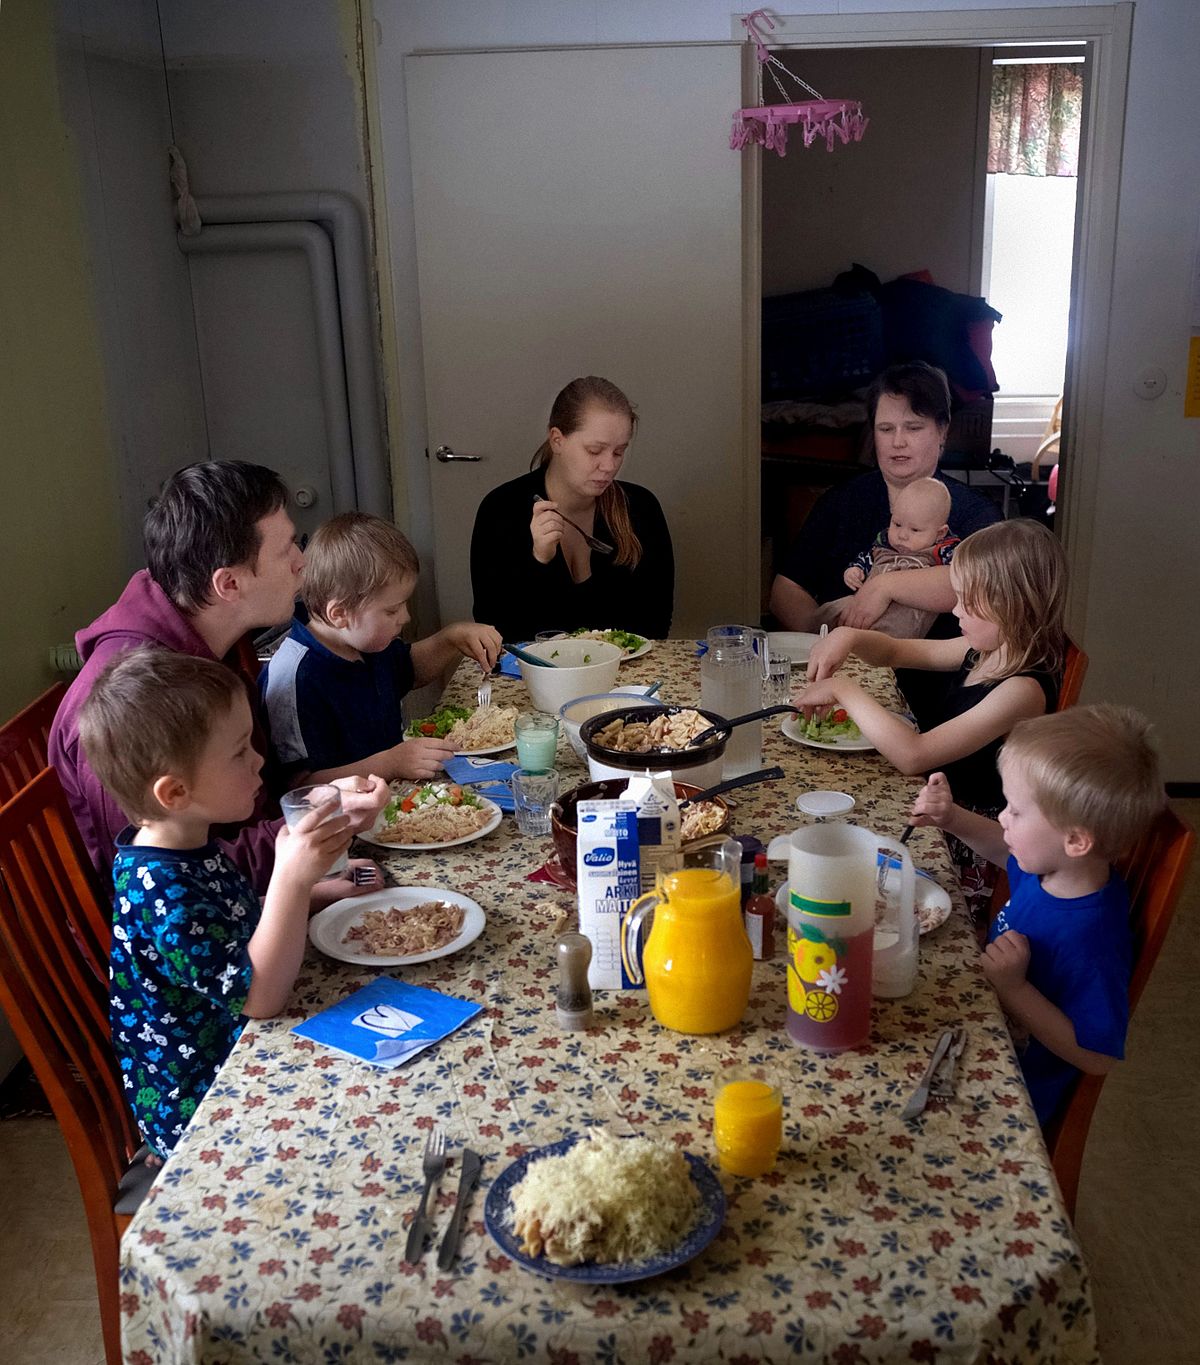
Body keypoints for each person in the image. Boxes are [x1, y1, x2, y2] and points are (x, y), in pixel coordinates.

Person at [48, 460, 387, 893]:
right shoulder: (138, 699)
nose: (303, 562)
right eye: (287, 549)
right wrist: (305, 835)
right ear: (229, 584)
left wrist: (320, 804)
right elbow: (160, 881)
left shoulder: (217, 633)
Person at [78, 649, 357, 1161]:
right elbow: (259, 996)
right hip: (208, 1105)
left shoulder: (182, 843)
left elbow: (232, 918)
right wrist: (292, 879)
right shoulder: (162, 892)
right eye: (238, 752)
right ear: (176, 792)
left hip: (247, 1046)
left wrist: (319, 893)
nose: (258, 760)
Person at [908, 704, 1166, 1129]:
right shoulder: (1055, 869)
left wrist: (1014, 989)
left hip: (1008, 1097)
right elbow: (1008, 849)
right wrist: (951, 818)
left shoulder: (1092, 939)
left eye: (1016, 809)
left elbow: (1099, 1057)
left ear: (1076, 840)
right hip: (982, 1022)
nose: (1003, 817)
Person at [797, 519, 1066, 923]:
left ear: (1010, 604)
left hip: (971, 849)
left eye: (968, 601)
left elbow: (913, 756)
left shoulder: (1022, 690)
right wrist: (849, 638)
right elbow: (894, 651)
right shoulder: (986, 650)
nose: (955, 609)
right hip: (939, 808)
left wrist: (844, 690)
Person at [260, 512, 502, 784]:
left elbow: (409, 670)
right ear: (340, 614)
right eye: (391, 610)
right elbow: (299, 786)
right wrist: (388, 763)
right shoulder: (295, 678)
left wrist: (451, 639)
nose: (406, 617)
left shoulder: (363, 640)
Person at [769, 362, 1000, 635]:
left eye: (913, 428)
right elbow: (785, 590)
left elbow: (984, 584)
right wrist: (823, 638)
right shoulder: (842, 501)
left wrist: (884, 587)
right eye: (886, 429)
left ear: (942, 431)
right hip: (843, 665)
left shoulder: (976, 512)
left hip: (928, 672)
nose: (898, 442)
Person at [470, 376, 674, 641]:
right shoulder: (501, 511)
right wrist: (538, 561)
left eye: (618, 452)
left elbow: (656, 623)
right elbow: (497, 631)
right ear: (557, 440)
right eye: (594, 450)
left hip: (626, 675)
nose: (609, 466)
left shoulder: (641, 509)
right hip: (534, 677)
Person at [816, 476, 959, 638]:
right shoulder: (883, 543)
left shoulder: (945, 550)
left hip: (904, 614)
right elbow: (867, 557)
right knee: (830, 611)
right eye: (897, 524)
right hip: (863, 605)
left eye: (915, 530)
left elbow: (965, 575)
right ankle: (812, 636)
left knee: (894, 631)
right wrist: (855, 569)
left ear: (940, 533)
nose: (902, 535)